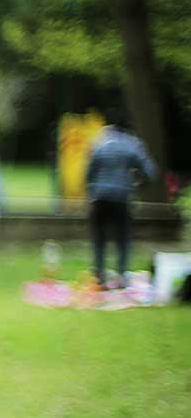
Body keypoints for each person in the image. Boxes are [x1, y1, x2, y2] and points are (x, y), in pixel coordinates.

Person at [86, 108, 158, 287]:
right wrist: (137, 185)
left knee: (99, 239)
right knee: (122, 239)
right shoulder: (131, 144)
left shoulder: (98, 142)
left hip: (100, 198)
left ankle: (99, 277)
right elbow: (150, 172)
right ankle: (121, 277)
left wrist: (92, 190)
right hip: (121, 197)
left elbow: (88, 173)